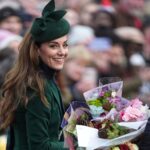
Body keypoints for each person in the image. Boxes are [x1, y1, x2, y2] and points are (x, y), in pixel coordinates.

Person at [0, 0, 70, 149]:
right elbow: (40, 146)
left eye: (65, 44)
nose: (62, 52)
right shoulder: (36, 88)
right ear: (37, 50)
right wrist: (79, 145)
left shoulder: (44, 79)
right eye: (53, 46)